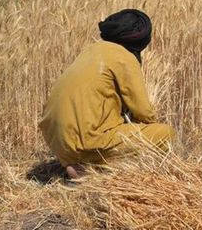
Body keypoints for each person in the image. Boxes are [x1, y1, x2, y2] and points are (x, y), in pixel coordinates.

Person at [38, 10, 176, 179]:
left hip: (57, 141)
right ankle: (102, 170)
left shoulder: (91, 50)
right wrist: (145, 127)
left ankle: (77, 165)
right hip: (87, 141)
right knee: (166, 134)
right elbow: (144, 111)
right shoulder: (124, 57)